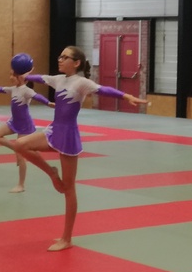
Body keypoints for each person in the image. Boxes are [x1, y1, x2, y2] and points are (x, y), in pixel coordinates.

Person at [18, 46, 147, 251]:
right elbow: (39, 78)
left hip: (68, 136)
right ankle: (52, 173)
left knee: (69, 189)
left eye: (65, 57)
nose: (60, 59)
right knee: (20, 145)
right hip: (53, 131)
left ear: (76, 63)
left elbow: (104, 90)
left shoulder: (81, 82)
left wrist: (126, 96)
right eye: (60, 56)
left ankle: (67, 238)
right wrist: (24, 74)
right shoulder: (58, 79)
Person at [0, 72, 55, 193]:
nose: (10, 77)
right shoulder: (13, 89)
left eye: (14, 75)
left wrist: (48, 103)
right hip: (14, 122)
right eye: (11, 75)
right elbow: (0, 89)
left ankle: (21, 185)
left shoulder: (26, 90)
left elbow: (37, 96)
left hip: (24, 125)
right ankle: (17, 148)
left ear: (22, 78)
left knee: (21, 158)